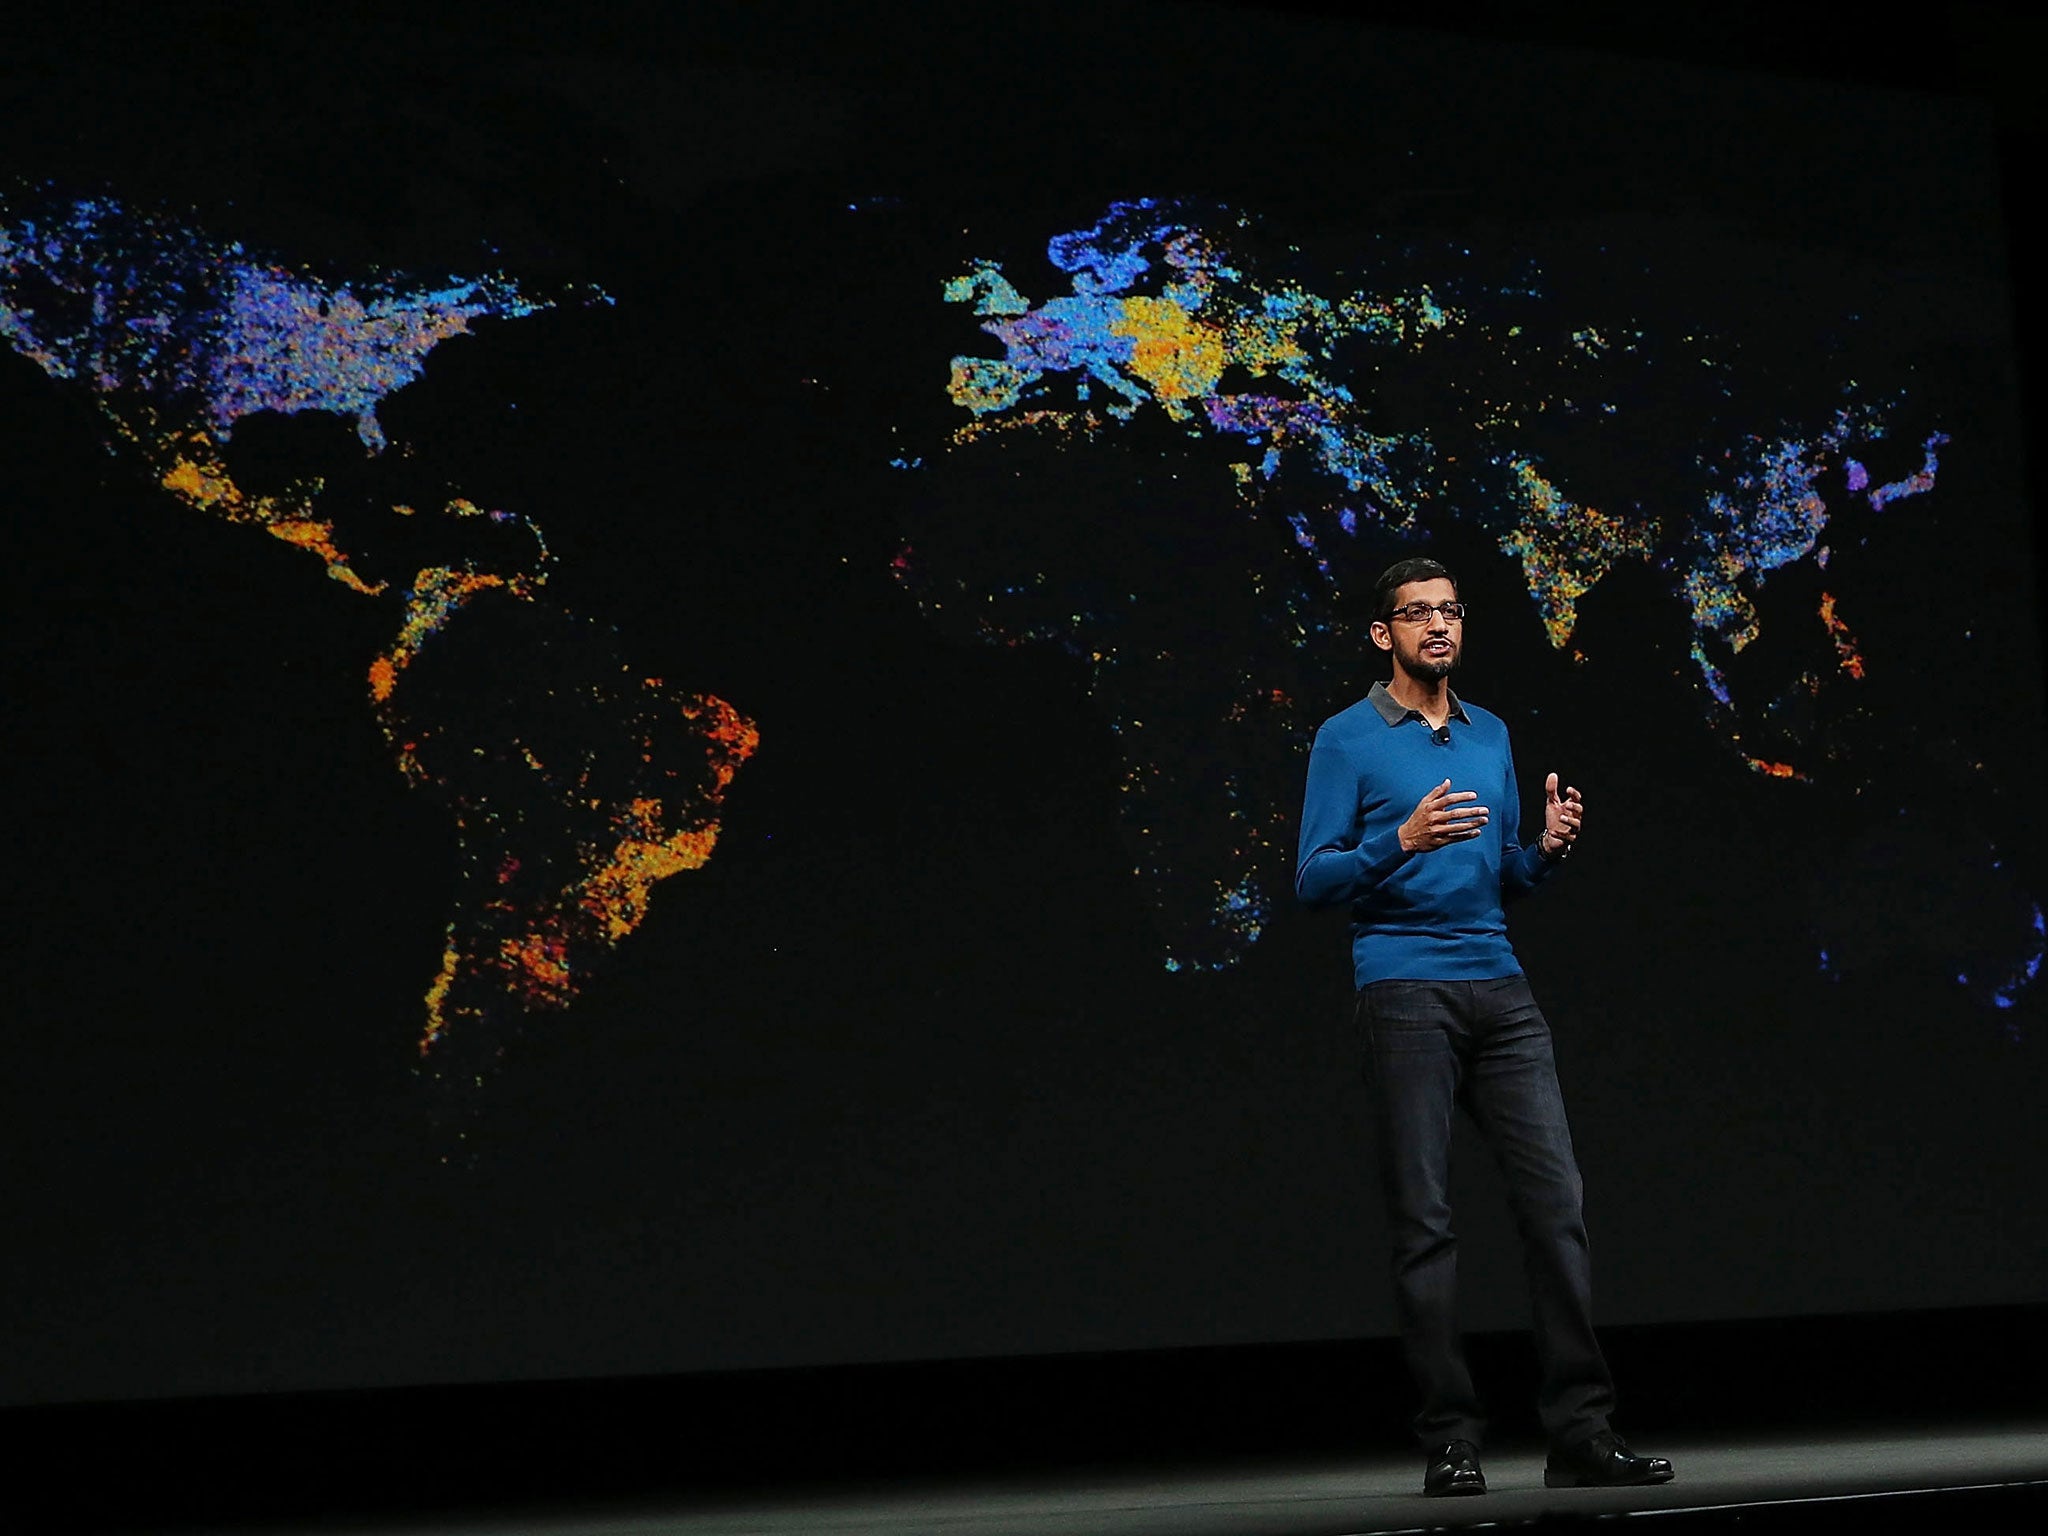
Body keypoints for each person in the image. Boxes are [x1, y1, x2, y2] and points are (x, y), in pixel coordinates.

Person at [1294, 556, 1674, 1497]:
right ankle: (1451, 1440)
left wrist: (1542, 851)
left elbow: (1501, 874)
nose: (1438, 626)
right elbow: (1312, 880)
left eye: (1450, 612)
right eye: (1417, 614)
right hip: (1403, 994)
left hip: (1501, 992)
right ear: (1383, 634)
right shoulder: (1346, 739)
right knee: (1425, 1226)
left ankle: (1579, 1433)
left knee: (1557, 1210)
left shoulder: (1490, 733)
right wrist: (1399, 841)